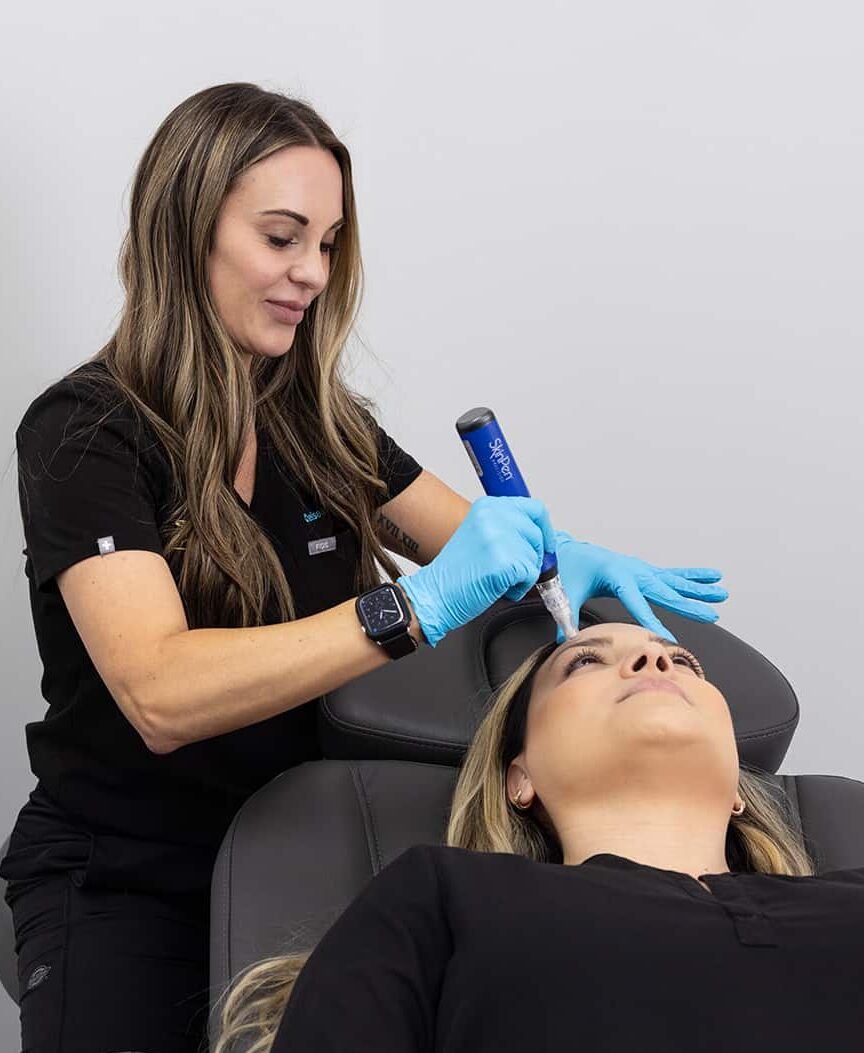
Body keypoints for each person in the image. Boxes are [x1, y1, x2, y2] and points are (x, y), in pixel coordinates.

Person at [1, 82, 727, 1053]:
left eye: (329, 243)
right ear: (186, 231)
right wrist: (411, 608)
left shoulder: (317, 421)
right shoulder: (86, 434)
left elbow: (476, 542)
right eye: (281, 236)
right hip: (123, 871)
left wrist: (566, 563)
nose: (311, 272)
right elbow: (159, 692)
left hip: (299, 842)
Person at [213, 621, 864, 1053]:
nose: (656, 657)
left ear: (741, 791)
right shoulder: (444, 899)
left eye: (685, 660)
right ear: (519, 775)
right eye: (584, 661)